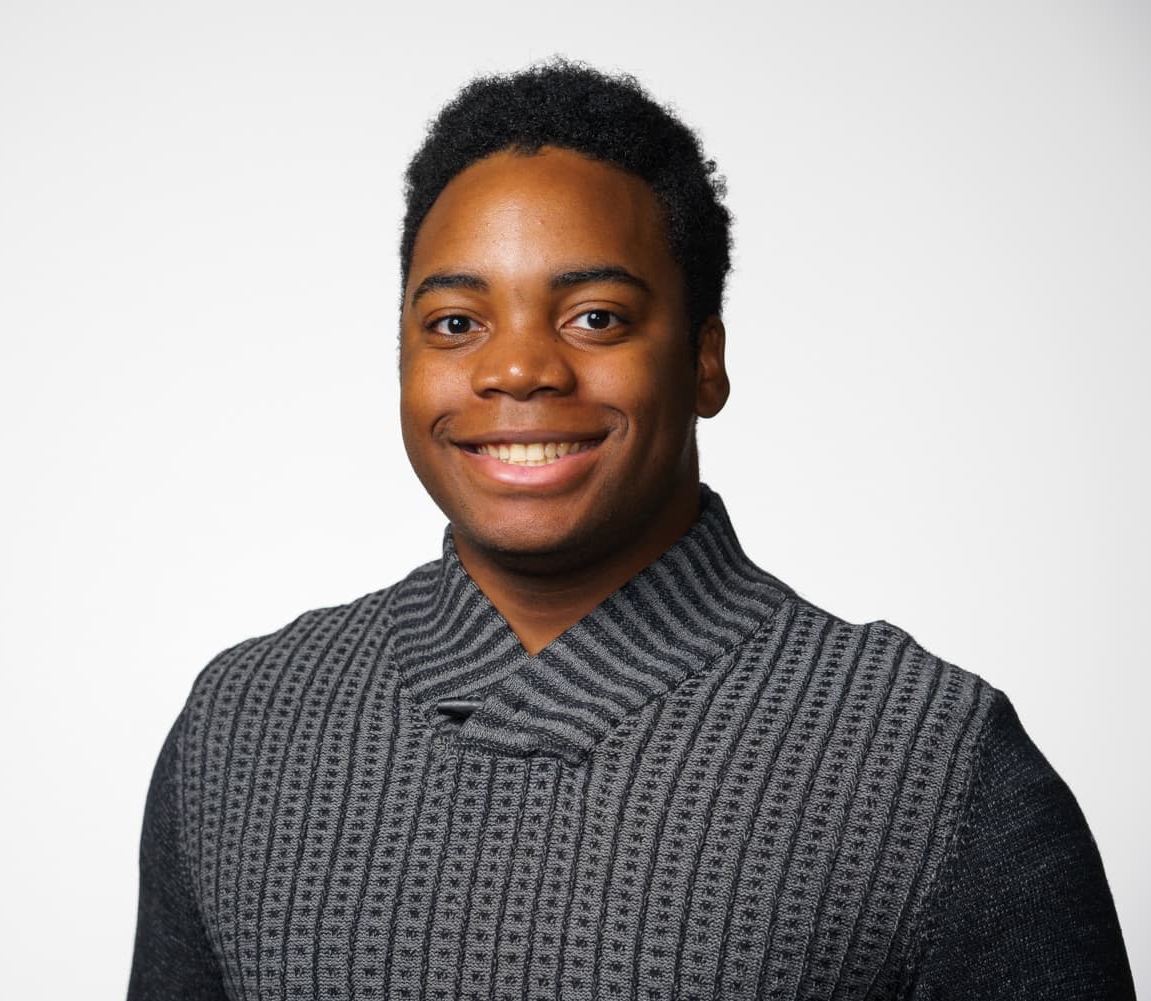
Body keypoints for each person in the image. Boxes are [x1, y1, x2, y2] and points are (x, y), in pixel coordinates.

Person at [126, 61, 1134, 1000]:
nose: (517, 369)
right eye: (455, 323)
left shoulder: (932, 764)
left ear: (705, 361)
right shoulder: (242, 727)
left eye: (596, 317)